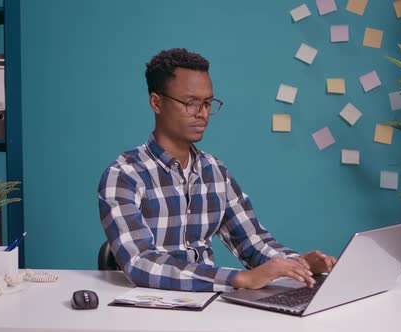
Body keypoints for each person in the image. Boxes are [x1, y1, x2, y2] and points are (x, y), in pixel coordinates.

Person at [98, 48, 336, 292]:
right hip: (148, 310)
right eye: (191, 103)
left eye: (208, 103)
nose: (202, 114)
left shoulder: (214, 172)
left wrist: (297, 264)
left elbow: (251, 241)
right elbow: (140, 263)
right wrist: (238, 279)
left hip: (207, 306)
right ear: (156, 102)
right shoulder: (124, 175)